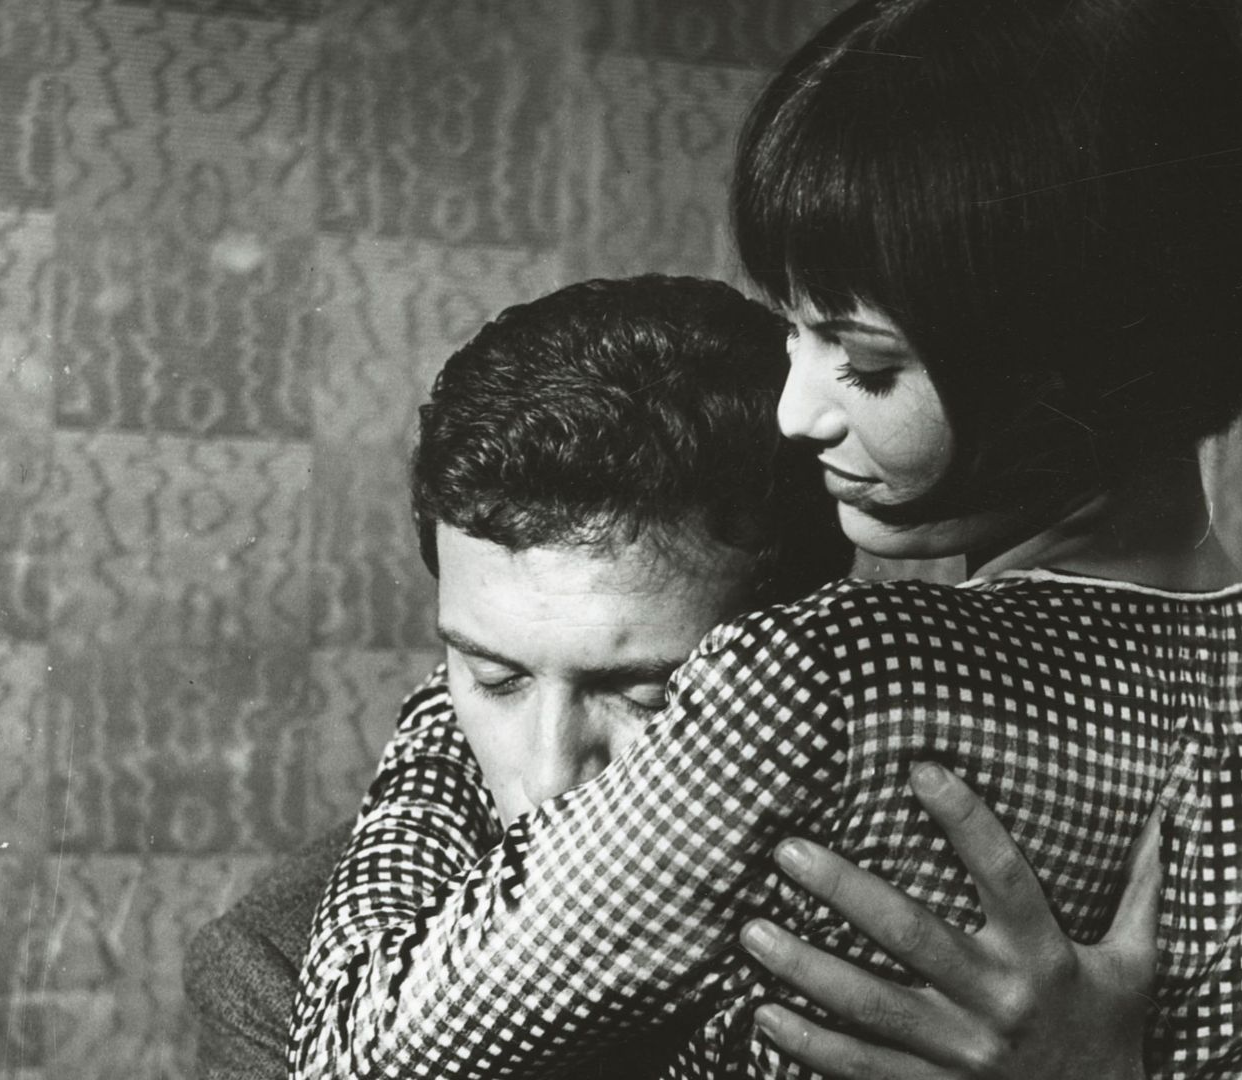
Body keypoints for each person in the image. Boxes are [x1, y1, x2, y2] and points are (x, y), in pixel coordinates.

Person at [292, 0, 1242, 1076]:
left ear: (1066, 357)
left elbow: (358, 1048)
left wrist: (449, 707)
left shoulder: (829, 678)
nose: (799, 412)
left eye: (865, 363)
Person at [186, 274, 1157, 1080]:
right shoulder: (286, 964)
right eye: (493, 678)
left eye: (651, 695)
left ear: (799, 659)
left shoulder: (1020, 932)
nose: (552, 776)